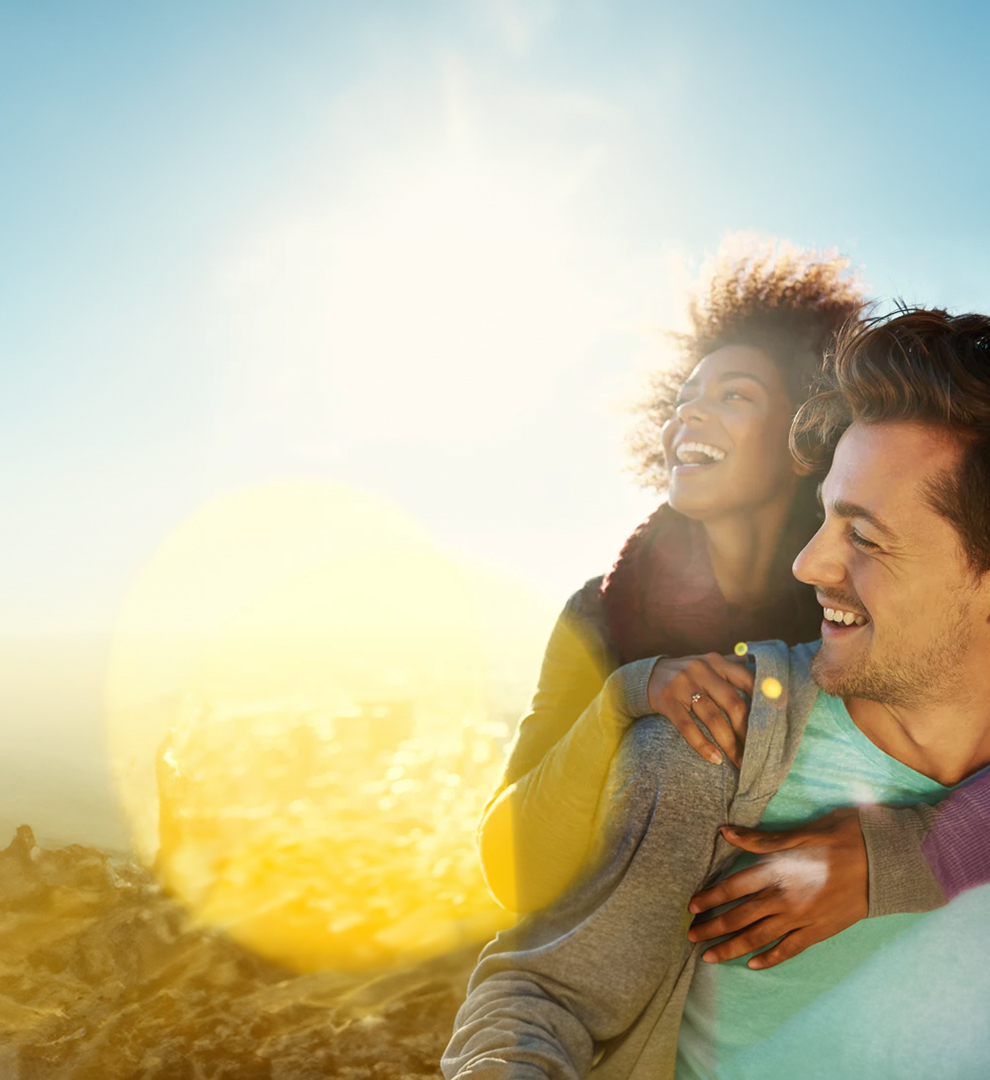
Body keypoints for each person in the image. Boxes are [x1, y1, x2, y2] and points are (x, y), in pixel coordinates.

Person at [443, 309, 990, 1079]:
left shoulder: (882, 608)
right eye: (685, 396)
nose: (689, 414)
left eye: (736, 396)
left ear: (802, 445)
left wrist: (905, 857)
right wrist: (622, 699)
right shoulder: (635, 646)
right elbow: (530, 913)